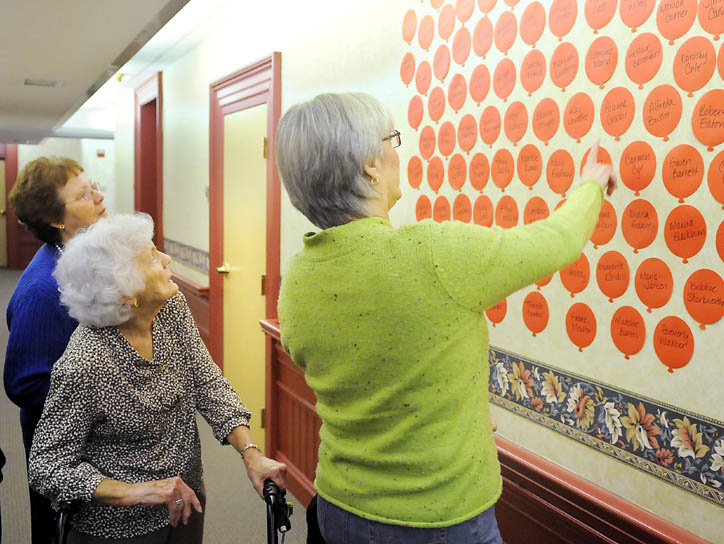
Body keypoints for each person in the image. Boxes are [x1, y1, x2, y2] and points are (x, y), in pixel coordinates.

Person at [275, 93, 617, 544]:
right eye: (390, 139)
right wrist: (592, 183)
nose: (398, 151)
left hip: (339, 511)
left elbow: (365, 377)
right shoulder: (431, 255)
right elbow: (556, 241)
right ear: (369, 167)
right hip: (436, 523)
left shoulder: (299, 277)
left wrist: (455, 409)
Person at [27, 213, 288, 543]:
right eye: (152, 256)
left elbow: (207, 381)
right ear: (125, 293)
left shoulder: (170, 307)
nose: (166, 259)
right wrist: (136, 492)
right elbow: (46, 466)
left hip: (185, 503)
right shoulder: (85, 364)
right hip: (119, 527)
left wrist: (250, 453)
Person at [3, 156, 107, 543]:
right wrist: (104, 387)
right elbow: (24, 386)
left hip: (96, 446)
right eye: (83, 194)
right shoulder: (43, 291)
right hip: (63, 455)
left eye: (93, 185)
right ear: (56, 220)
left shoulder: (83, 261)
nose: (99, 196)